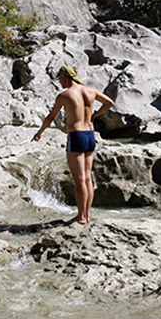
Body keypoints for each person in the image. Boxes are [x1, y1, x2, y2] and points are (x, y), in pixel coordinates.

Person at [32, 65, 114, 225]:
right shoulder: (91, 91)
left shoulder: (65, 95)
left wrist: (40, 131)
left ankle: (81, 216)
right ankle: (87, 215)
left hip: (76, 136)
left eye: (60, 78)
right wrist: (93, 117)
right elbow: (109, 103)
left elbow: (50, 117)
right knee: (88, 178)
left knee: (80, 180)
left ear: (65, 77)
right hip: (90, 136)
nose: (59, 82)